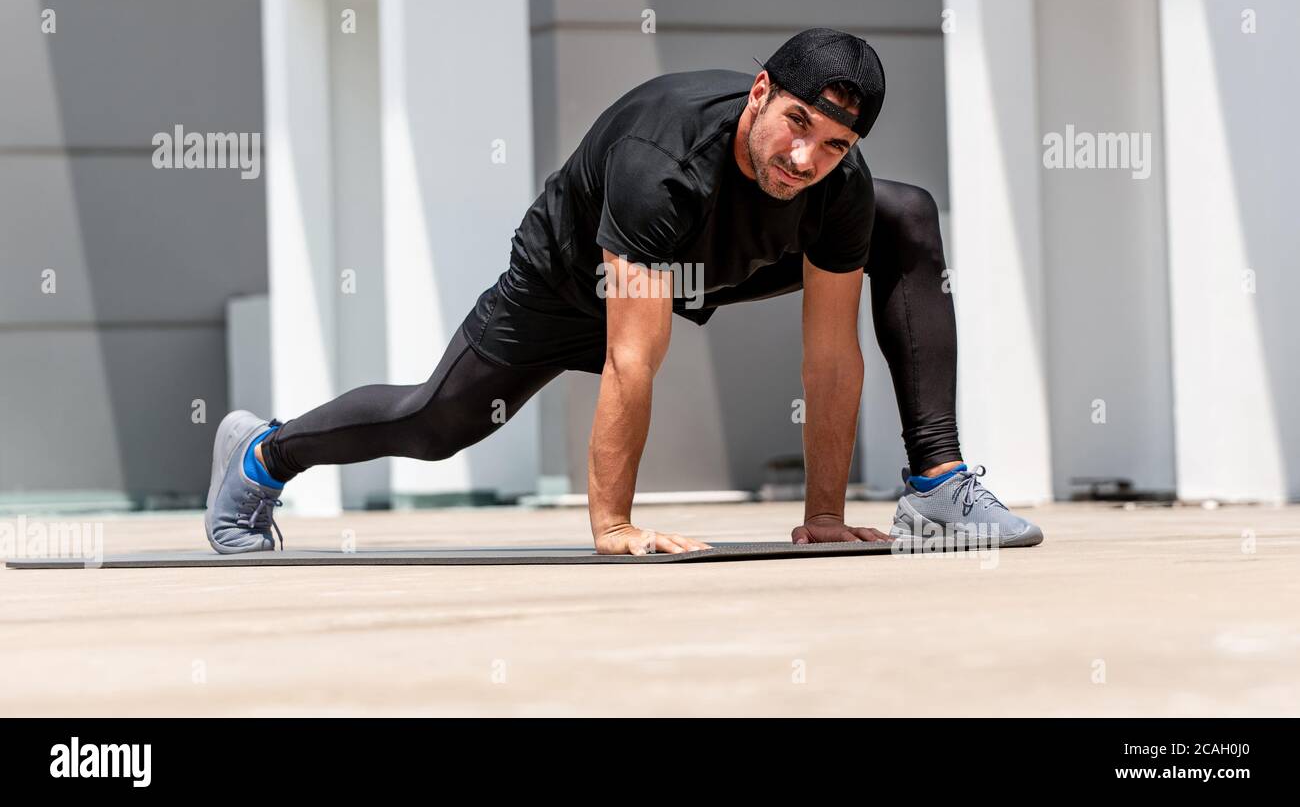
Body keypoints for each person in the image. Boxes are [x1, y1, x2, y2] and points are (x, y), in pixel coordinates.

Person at [204, 27, 1043, 556]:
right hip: (570, 278)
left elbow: (829, 354)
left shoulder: (837, 182)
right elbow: (632, 357)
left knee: (905, 214)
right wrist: (614, 525)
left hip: (720, 258)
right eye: (796, 124)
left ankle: (936, 485)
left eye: (832, 143)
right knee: (439, 422)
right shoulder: (661, 160)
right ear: (760, 93)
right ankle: (262, 456)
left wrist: (824, 514)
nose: (806, 157)